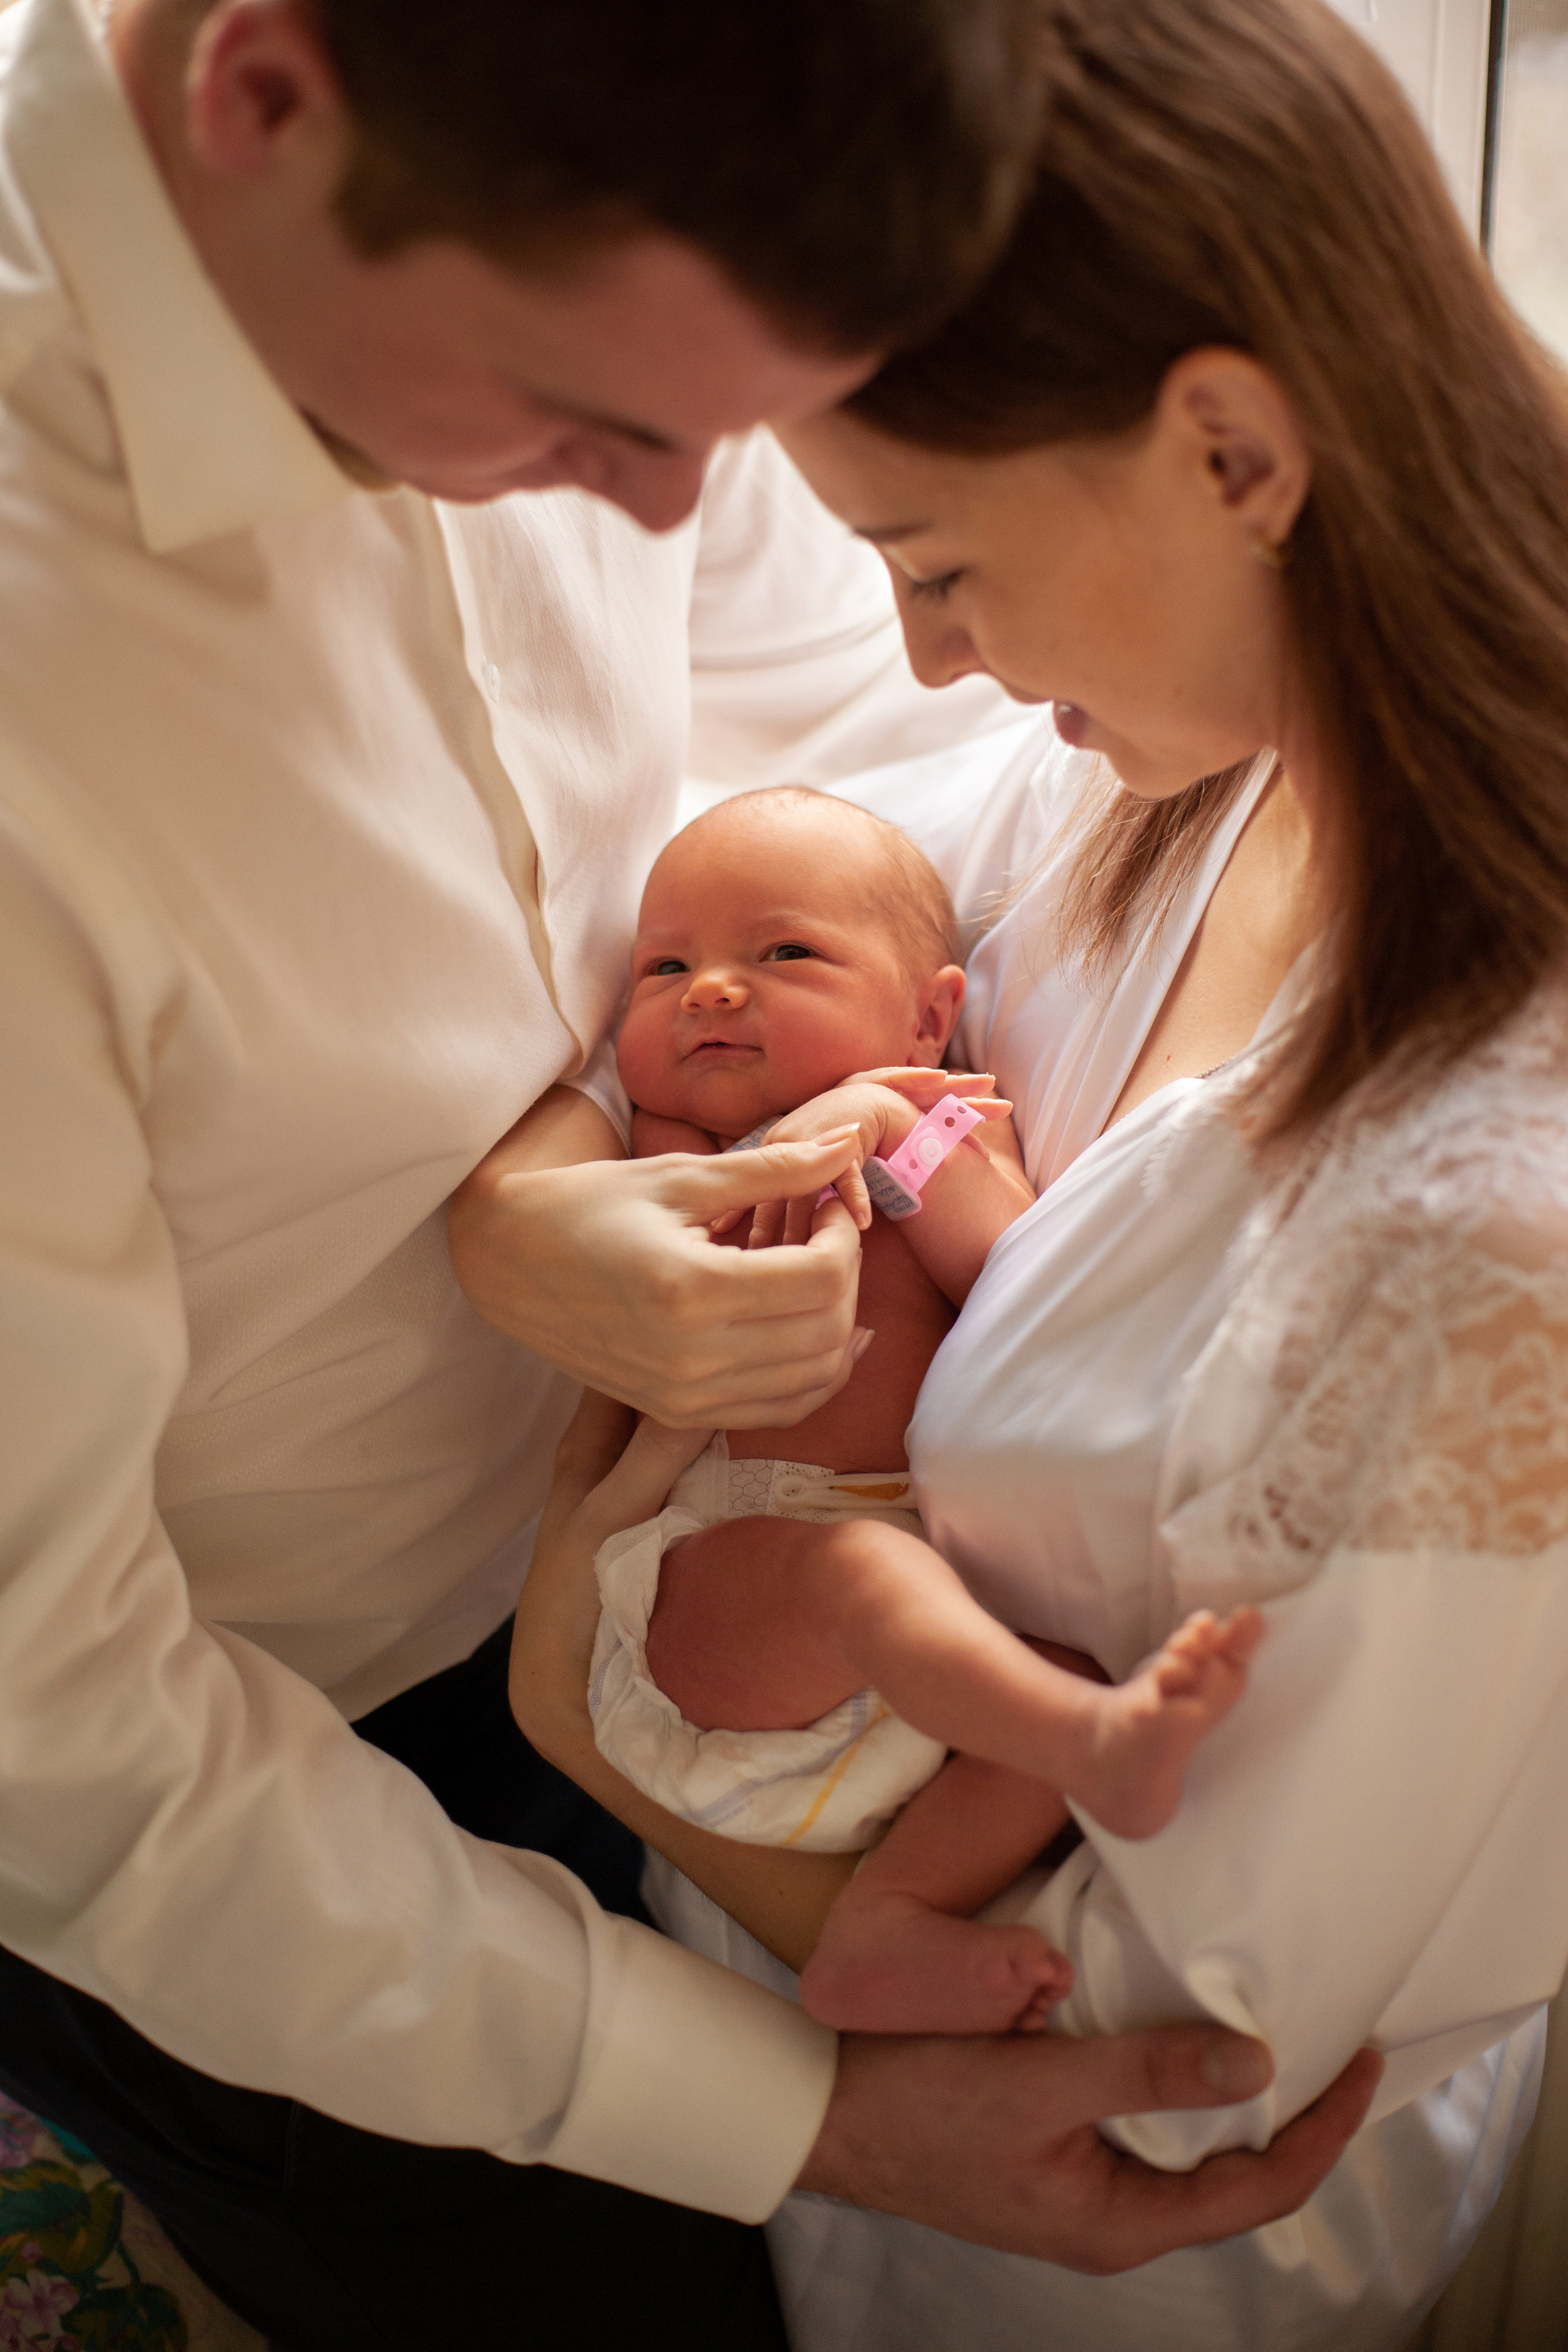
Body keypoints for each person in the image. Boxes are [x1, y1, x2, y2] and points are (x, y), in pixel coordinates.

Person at [0, 0, 1376, 2343]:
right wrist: (796, 2118)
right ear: (260, 103)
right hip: (260, 1772)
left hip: (647, 1605)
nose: (659, 512)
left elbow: (830, 764)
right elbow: (63, 1741)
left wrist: (539, 1177)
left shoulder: (607, 224)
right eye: (604, 423)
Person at [487, 0, 1568, 2343]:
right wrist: (545, 1193)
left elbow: (1174, 2084)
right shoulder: (1179, 762)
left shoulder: (1479, 1250)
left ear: (1231, 451)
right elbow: (767, 927)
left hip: (1090, 2248)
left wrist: (588, 1728)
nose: (926, 651)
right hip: (821, 1986)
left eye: (938, 556)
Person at [569, 784, 1262, 2036]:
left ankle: (886, 1922)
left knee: (1033, 1668)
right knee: (866, 1586)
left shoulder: (937, 1135)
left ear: (927, 1012)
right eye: (663, 967)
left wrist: (886, 1124)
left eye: (781, 954)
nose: (711, 990)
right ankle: (1086, 1746)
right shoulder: (648, 1165)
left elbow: (1013, 1289)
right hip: (713, 1598)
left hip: (903, 1677)